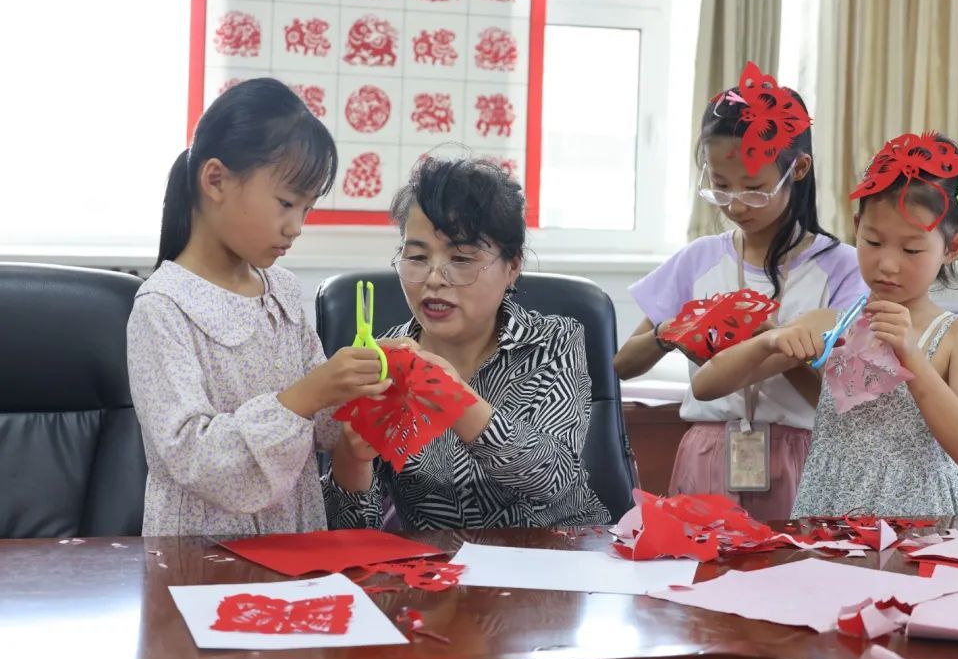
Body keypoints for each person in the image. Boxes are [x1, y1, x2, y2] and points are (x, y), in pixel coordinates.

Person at [128, 78, 390, 536]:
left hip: (294, 542)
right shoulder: (163, 307)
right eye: (286, 203)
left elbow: (324, 427)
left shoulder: (281, 291)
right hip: (203, 554)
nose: (296, 227)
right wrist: (305, 396)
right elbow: (193, 458)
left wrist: (367, 383)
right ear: (216, 180)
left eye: (306, 209)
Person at [613, 62, 864, 520]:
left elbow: (840, 405)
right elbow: (623, 366)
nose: (735, 204)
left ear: (798, 169)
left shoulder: (844, 267)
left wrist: (778, 343)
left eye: (754, 189)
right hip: (708, 453)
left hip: (804, 457)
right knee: (700, 563)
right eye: (720, 187)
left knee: (799, 563)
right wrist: (671, 332)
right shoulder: (698, 259)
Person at [693, 132, 958, 517]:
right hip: (830, 515)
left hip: (920, 522)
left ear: (951, 248)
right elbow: (705, 386)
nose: (888, 264)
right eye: (873, 242)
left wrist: (912, 356)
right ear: (856, 227)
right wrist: (770, 341)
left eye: (911, 249)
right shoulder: (833, 324)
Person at [325, 157, 610, 529]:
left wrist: (456, 400)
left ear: (512, 267)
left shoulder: (553, 341)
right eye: (417, 257)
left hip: (555, 551)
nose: (434, 278)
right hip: (436, 560)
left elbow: (553, 479)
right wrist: (352, 459)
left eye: (461, 259)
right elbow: (350, 532)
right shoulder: (380, 362)